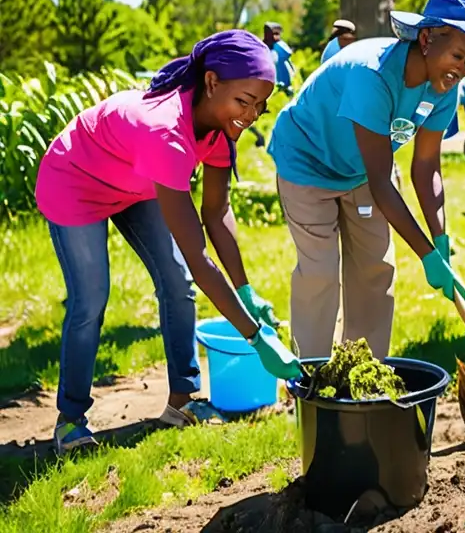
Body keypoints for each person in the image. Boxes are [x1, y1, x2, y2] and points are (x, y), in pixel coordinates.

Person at [35, 30, 301, 455]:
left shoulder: (218, 128)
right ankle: (70, 420)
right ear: (212, 82)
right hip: (76, 180)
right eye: (244, 100)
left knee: (177, 283)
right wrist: (255, 337)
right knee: (91, 300)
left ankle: (183, 401)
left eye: (260, 105)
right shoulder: (166, 133)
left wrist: (246, 291)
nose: (251, 114)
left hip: (134, 184)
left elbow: (216, 215)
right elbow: (199, 256)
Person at [268, 0, 465, 360]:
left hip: (362, 172)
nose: (463, 69)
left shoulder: (445, 86)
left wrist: (440, 240)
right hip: (307, 161)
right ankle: (310, 378)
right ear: (428, 39)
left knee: (375, 270)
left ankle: (364, 372)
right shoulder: (374, 75)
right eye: (459, 57)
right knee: (319, 272)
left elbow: (427, 166)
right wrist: (426, 255)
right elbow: (382, 182)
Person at [263, 23, 295, 96]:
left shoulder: (279, 44)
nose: (277, 36)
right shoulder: (267, 46)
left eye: (278, 34)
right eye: (275, 34)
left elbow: (287, 54)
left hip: (284, 72)